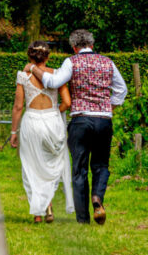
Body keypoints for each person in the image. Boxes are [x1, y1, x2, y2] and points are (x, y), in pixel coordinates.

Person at [27, 29, 127, 224]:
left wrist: (33, 68)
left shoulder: (71, 62)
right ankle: (97, 198)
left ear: (74, 47)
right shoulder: (108, 62)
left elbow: (53, 81)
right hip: (104, 120)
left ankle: (83, 219)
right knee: (101, 165)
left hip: (81, 120)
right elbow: (121, 90)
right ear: (93, 44)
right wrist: (108, 106)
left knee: (79, 169)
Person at [11, 41, 74, 223]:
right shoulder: (57, 75)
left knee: (31, 166)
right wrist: (55, 111)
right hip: (52, 122)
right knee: (50, 165)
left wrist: (13, 132)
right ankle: (46, 205)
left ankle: (39, 212)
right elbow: (67, 103)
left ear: (29, 57)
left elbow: (18, 106)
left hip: (31, 122)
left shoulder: (23, 76)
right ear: (48, 56)